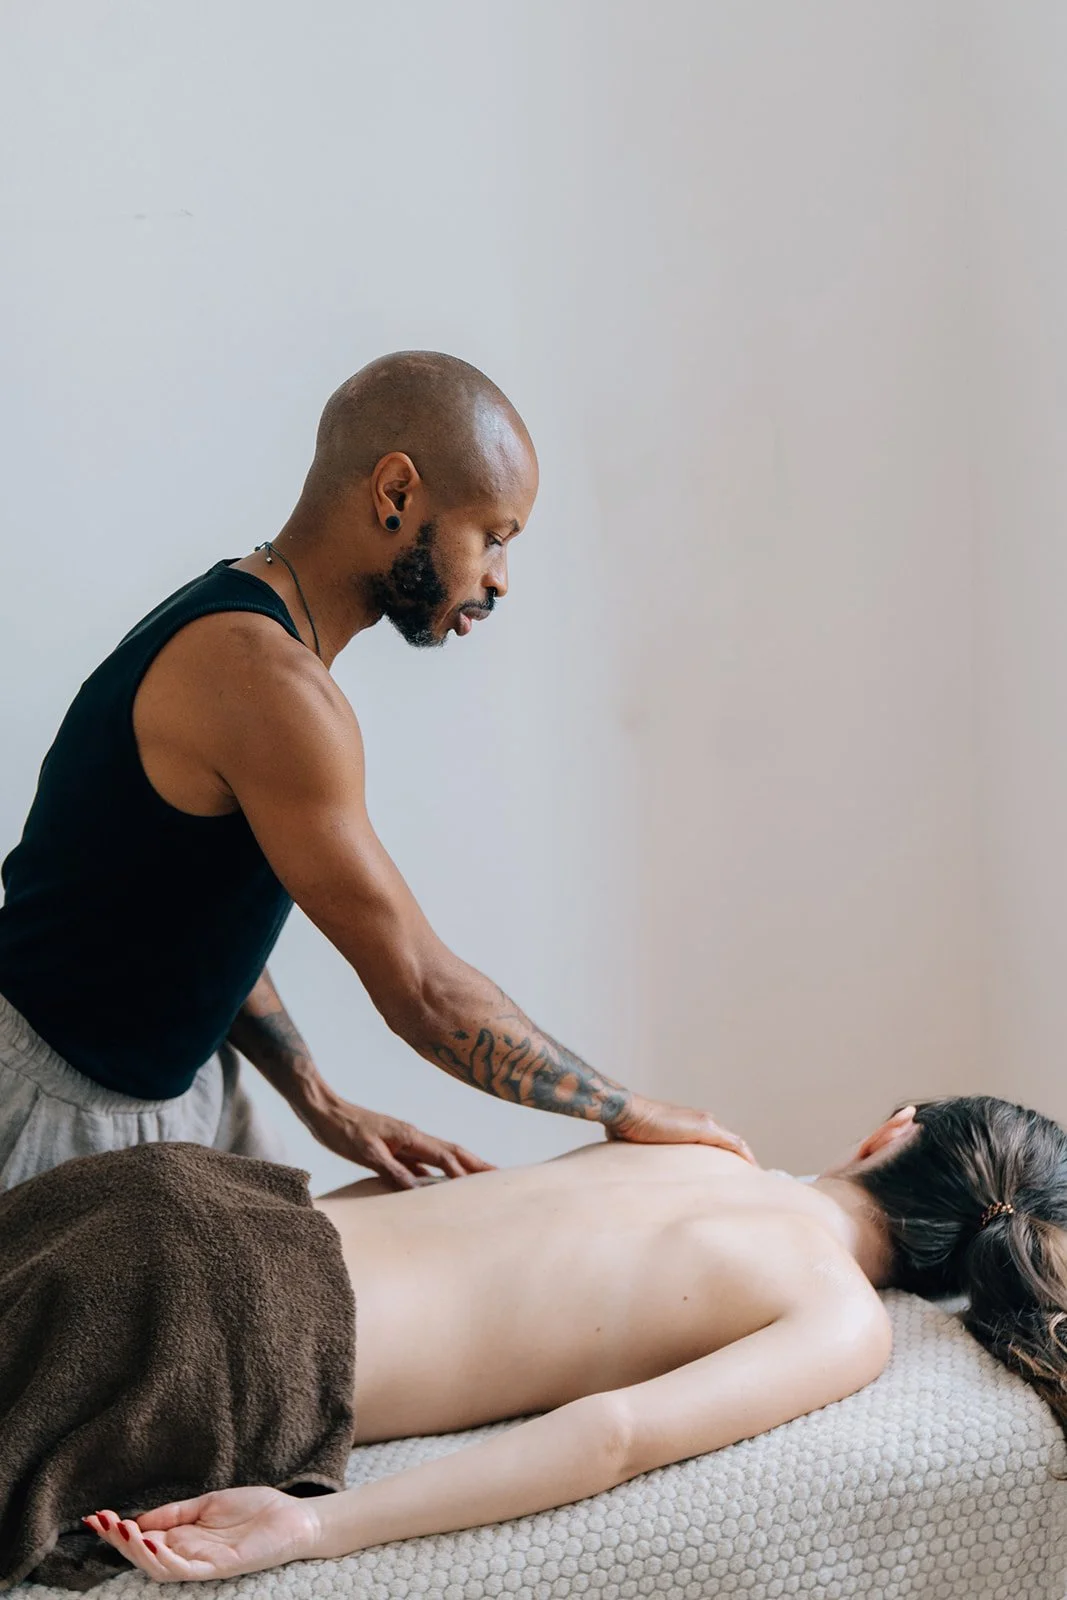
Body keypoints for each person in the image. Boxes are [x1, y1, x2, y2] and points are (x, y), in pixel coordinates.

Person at [0, 350, 754, 1193]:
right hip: (50, 1109)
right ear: (396, 493)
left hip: (187, 1086)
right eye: (493, 537)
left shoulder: (252, 635)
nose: (499, 579)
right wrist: (625, 1109)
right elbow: (423, 990)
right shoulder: (269, 685)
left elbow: (184, 904)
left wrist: (319, 1100)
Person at [84, 1092, 1067, 1583]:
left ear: (888, 1133)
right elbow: (610, 1435)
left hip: (194, 1198)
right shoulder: (839, 1321)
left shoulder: (699, 1144)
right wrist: (309, 1524)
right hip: (227, 1338)